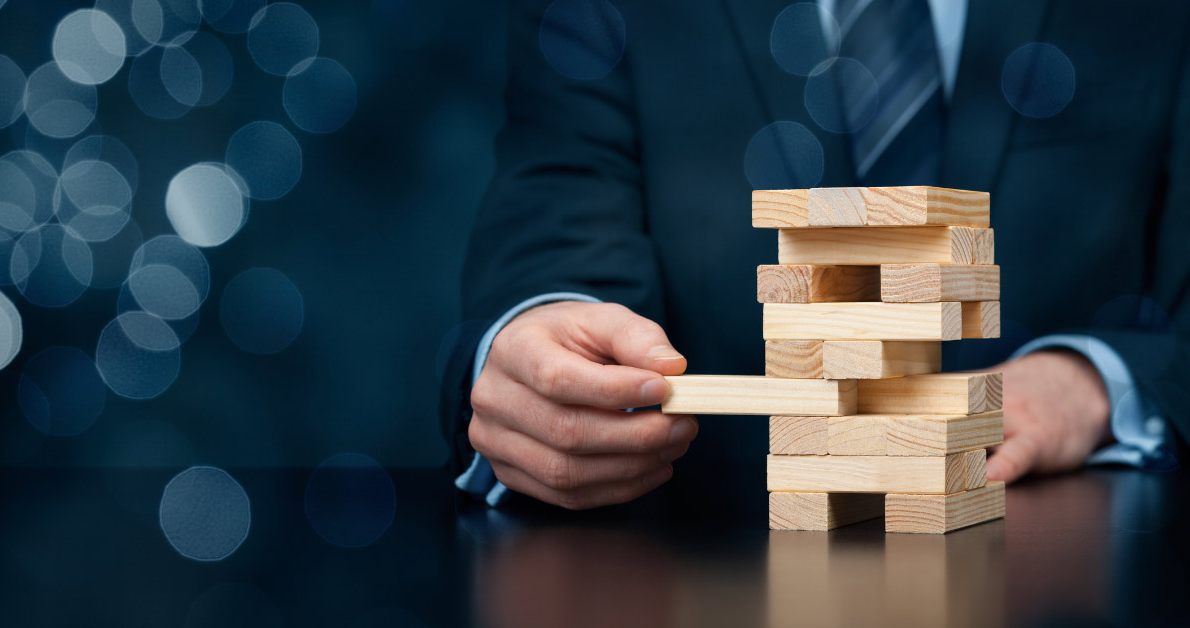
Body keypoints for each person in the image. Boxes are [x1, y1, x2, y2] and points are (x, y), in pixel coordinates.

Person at [440, 0, 1188, 510]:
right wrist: (539, 350)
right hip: (702, 556)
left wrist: (1098, 384)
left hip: (1065, 557)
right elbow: (556, 224)